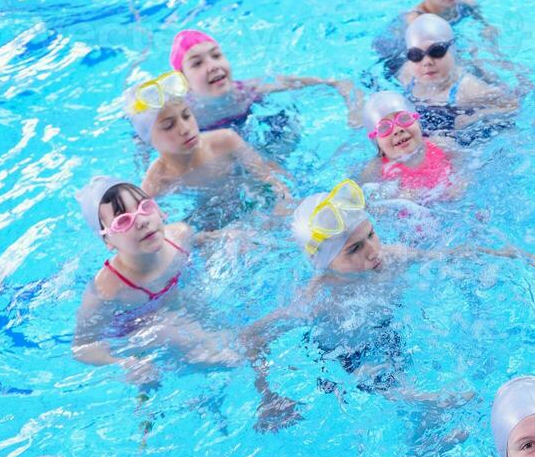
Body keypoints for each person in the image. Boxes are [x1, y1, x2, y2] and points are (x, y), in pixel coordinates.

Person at [239, 181, 535, 401]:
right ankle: (424, 404)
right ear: (322, 262)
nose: (373, 250)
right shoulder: (317, 299)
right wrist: (267, 395)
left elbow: (463, 253)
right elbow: (252, 336)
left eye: (371, 235)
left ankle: (426, 407)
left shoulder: (393, 257)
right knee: (378, 381)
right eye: (354, 250)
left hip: (388, 329)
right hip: (342, 351)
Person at [71, 176, 300, 430]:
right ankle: (215, 390)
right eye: (123, 221)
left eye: (145, 207)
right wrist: (125, 363)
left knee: (244, 331)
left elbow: (203, 239)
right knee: (170, 329)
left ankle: (267, 397)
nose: (142, 221)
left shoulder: (179, 235)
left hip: (180, 306)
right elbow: (83, 347)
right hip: (139, 332)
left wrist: (227, 238)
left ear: (159, 210)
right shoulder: (108, 288)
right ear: (107, 241)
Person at [125, 71, 293, 216]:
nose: (185, 129)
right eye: (169, 126)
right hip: (209, 214)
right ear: (149, 140)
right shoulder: (157, 182)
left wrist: (282, 200)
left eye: (186, 116)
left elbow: (267, 174)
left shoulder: (225, 140)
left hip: (249, 194)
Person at [169, 27, 353, 132]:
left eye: (216, 56)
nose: (212, 66)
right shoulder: (186, 112)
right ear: (183, 79)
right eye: (197, 63)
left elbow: (330, 82)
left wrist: (347, 97)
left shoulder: (246, 91)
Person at [395, 13, 518, 145]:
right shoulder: (407, 74)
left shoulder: (468, 89)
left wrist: (477, 116)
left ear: (452, 50)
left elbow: (513, 106)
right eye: (416, 55)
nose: (427, 62)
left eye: (437, 51)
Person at [354, 90, 462, 200]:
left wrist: (460, 184)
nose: (398, 130)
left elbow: (465, 165)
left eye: (404, 118)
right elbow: (363, 202)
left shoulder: (442, 144)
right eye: (384, 127)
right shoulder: (375, 169)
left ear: (417, 121)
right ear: (376, 141)